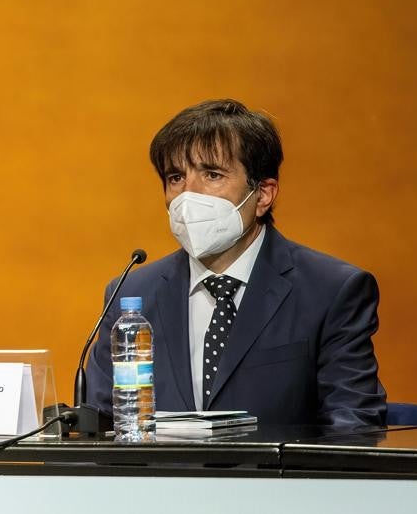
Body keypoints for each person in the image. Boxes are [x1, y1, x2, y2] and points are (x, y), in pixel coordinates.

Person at [85, 99, 386, 428]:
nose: (189, 194)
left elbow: (354, 426)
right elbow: (98, 425)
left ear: (263, 194)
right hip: (161, 479)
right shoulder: (131, 292)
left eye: (212, 174)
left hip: (279, 479)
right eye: (176, 177)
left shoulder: (331, 291)